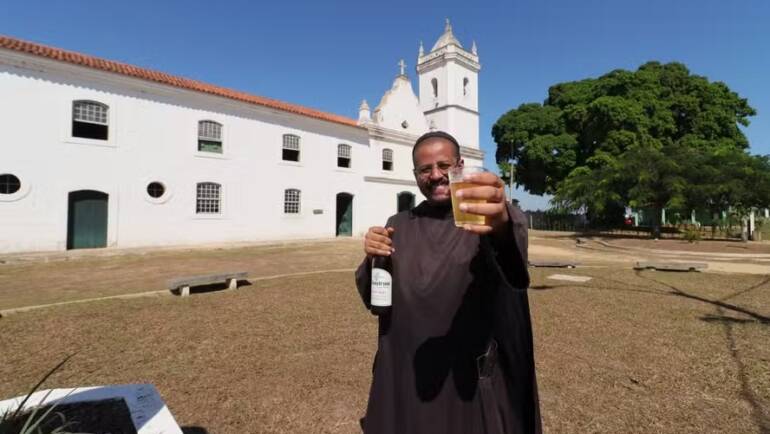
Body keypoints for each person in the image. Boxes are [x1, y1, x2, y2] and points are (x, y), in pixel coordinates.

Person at [355, 131, 541, 434]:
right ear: (415, 175)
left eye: (444, 165)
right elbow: (375, 299)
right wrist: (373, 256)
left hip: (465, 377)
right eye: (425, 169)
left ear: (460, 166)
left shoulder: (482, 219)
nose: (435, 175)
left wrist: (502, 224)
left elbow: (512, 269)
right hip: (406, 369)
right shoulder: (398, 225)